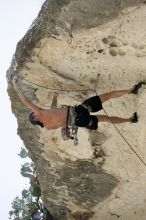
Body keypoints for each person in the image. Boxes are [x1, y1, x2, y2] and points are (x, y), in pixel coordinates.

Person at [13, 77, 145, 131]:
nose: (35, 111)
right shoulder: (40, 113)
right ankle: (131, 90)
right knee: (106, 96)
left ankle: (130, 120)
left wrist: (55, 97)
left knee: (105, 119)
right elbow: (26, 101)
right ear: (35, 117)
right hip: (79, 111)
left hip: (81, 122)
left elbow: (55, 112)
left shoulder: (48, 126)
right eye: (33, 113)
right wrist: (15, 85)